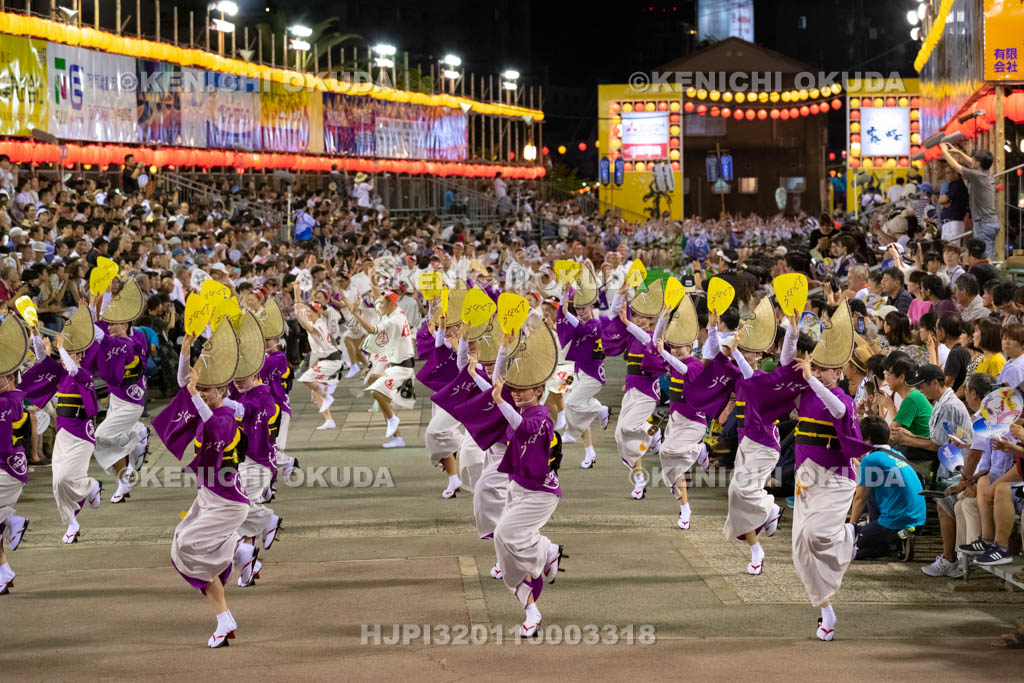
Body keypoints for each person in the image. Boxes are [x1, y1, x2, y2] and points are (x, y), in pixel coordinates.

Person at [153, 323, 251, 647]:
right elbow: (185, 382)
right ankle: (224, 619)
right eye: (202, 390)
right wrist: (186, 345)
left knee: (186, 548)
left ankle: (237, 549)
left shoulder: (223, 417)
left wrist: (197, 395)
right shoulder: (207, 407)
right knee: (185, 550)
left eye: (209, 390)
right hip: (210, 496)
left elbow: (210, 425)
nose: (202, 392)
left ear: (222, 390)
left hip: (227, 504)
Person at [791, 302, 870, 642]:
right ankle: (826, 611)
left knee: (816, 537)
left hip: (836, 480)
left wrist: (814, 380)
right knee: (800, 550)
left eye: (823, 368)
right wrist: (792, 330)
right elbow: (781, 370)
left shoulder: (841, 397)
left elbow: (838, 409)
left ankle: (850, 536)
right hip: (805, 479)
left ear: (837, 372)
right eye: (814, 366)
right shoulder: (805, 395)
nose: (815, 371)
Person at [489, 325, 566, 637]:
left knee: (507, 534)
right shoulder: (516, 403)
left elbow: (522, 426)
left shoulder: (542, 418)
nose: (517, 391)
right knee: (501, 544)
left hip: (540, 494)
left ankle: (546, 549)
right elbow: (498, 385)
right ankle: (530, 609)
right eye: (515, 389)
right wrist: (504, 351)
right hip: (517, 486)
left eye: (526, 388)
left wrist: (501, 401)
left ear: (540, 391)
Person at [20, 308, 103, 543]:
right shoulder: (60, 374)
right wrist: (35, 331)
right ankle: (71, 522)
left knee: (68, 477)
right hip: (65, 434)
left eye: (73, 353)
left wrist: (63, 348)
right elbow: (41, 358)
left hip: (81, 435)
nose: (67, 357)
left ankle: (90, 486)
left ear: (80, 355)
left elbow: (74, 368)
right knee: (57, 482)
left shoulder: (83, 374)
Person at [92, 280, 151, 504]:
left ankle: (136, 436)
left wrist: (88, 313)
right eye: (110, 324)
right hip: (117, 397)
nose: (111, 327)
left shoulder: (130, 341)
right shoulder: (121, 338)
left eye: (115, 324)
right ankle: (123, 481)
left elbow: (100, 336)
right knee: (112, 440)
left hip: (131, 402)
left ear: (126, 323)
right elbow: (101, 330)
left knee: (101, 436)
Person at [344, 289, 416, 448]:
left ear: (391, 303)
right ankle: (397, 436)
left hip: (401, 366)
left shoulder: (394, 320)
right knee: (378, 393)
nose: (380, 306)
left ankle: (392, 419)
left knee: (377, 391)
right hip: (394, 361)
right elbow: (379, 298)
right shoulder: (395, 311)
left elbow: (371, 330)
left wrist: (356, 315)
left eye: (383, 303)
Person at [850, 416, 927, 559]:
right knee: (872, 487)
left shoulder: (870, 459)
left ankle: (892, 544)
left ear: (867, 439)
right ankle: (889, 539)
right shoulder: (897, 454)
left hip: (895, 523)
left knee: (844, 544)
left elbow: (860, 498)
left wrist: (851, 527)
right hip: (917, 521)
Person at [0, 316, 31, 594]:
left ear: (10, 377)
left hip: (6, 471)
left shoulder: (5, 401)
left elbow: (2, 446)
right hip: (12, 470)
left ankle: (12, 520)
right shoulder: (17, 395)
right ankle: (3, 572)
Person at [941, 144, 998, 258]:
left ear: (978, 163)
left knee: (983, 257)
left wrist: (945, 152)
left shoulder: (977, 176)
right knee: (987, 256)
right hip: (990, 222)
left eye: (973, 159)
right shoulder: (986, 173)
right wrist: (959, 152)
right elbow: (971, 163)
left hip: (983, 223)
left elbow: (955, 166)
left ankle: (988, 275)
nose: (971, 160)